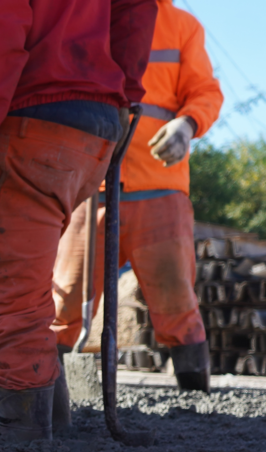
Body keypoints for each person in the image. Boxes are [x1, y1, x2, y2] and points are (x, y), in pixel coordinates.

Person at [0, 0, 159, 442]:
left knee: (6, 290)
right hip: (94, 123)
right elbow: (135, 9)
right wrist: (125, 95)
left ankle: (26, 442)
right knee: (23, 280)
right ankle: (54, 422)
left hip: (32, 113)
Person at [51, 0, 223, 393]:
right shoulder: (84, 14)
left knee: (177, 301)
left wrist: (186, 124)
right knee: (62, 301)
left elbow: (205, 92)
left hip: (158, 188)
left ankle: (195, 399)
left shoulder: (181, 25)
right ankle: (47, 395)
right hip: (88, 186)